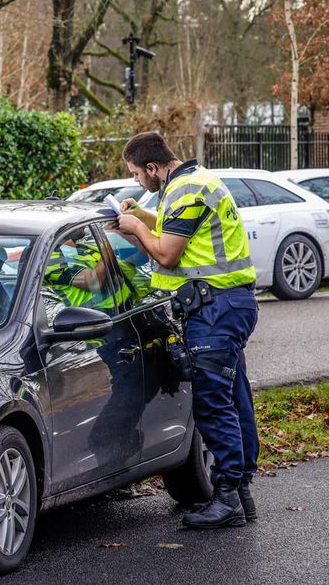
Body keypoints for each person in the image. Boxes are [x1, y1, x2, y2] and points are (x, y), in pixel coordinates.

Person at [113, 131, 259, 529]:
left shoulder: (188, 189)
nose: (138, 182)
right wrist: (139, 222)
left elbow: (167, 252)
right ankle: (240, 493)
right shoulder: (193, 183)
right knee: (233, 398)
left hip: (216, 308)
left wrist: (136, 226)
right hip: (225, 305)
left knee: (213, 403)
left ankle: (227, 497)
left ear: (153, 167)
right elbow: (170, 242)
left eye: (137, 174)